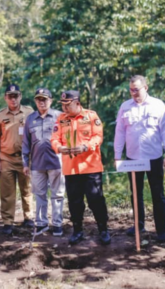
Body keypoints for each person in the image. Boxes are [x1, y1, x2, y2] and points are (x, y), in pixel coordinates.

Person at [113, 75, 165, 243]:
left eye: (136, 89)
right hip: (133, 157)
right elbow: (120, 132)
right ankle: (139, 225)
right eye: (131, 90)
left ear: (145, 87)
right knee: (135, 193)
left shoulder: (158, 105)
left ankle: (162, 230)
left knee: (157, 194)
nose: (133, 93)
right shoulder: (125, 107)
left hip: (154, 156)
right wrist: (117, 155)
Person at [50, 90, 110, 245]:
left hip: (90, 167)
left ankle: (103, 229)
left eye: (67, 104)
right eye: (62, 104)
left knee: (95, 200)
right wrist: (59, 148)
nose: (64, 107)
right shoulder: (61, 119)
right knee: (74, 201)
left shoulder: (91, 116)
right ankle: (77, 230)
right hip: (71, 168)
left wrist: (86, 146)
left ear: (77, 102)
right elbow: (55, 138)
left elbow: (98, 136)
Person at [22, 88, 65, 237]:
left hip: (56, 162)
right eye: (39, 99)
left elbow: (66, 138)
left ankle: (57, 224)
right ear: (35, 101)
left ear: (51, 101)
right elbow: (26, 143)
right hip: (37, 164)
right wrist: (25, 163)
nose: (41, 102)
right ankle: (41, 223)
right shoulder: (30, 119)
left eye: (45, 99)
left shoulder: (59, 116)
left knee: (58, 194)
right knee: (39, 194)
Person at [0, 84, 34, 234]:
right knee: (7, 192)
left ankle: (28, 218)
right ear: (5, 98)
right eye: (10, 96)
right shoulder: (0, 115)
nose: (13, 99)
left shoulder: (29, 112)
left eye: (16, 96)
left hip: (25, 158)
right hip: (6, 158)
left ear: (20, 96)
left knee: (27, 189)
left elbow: (35, 136)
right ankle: (8, 221)